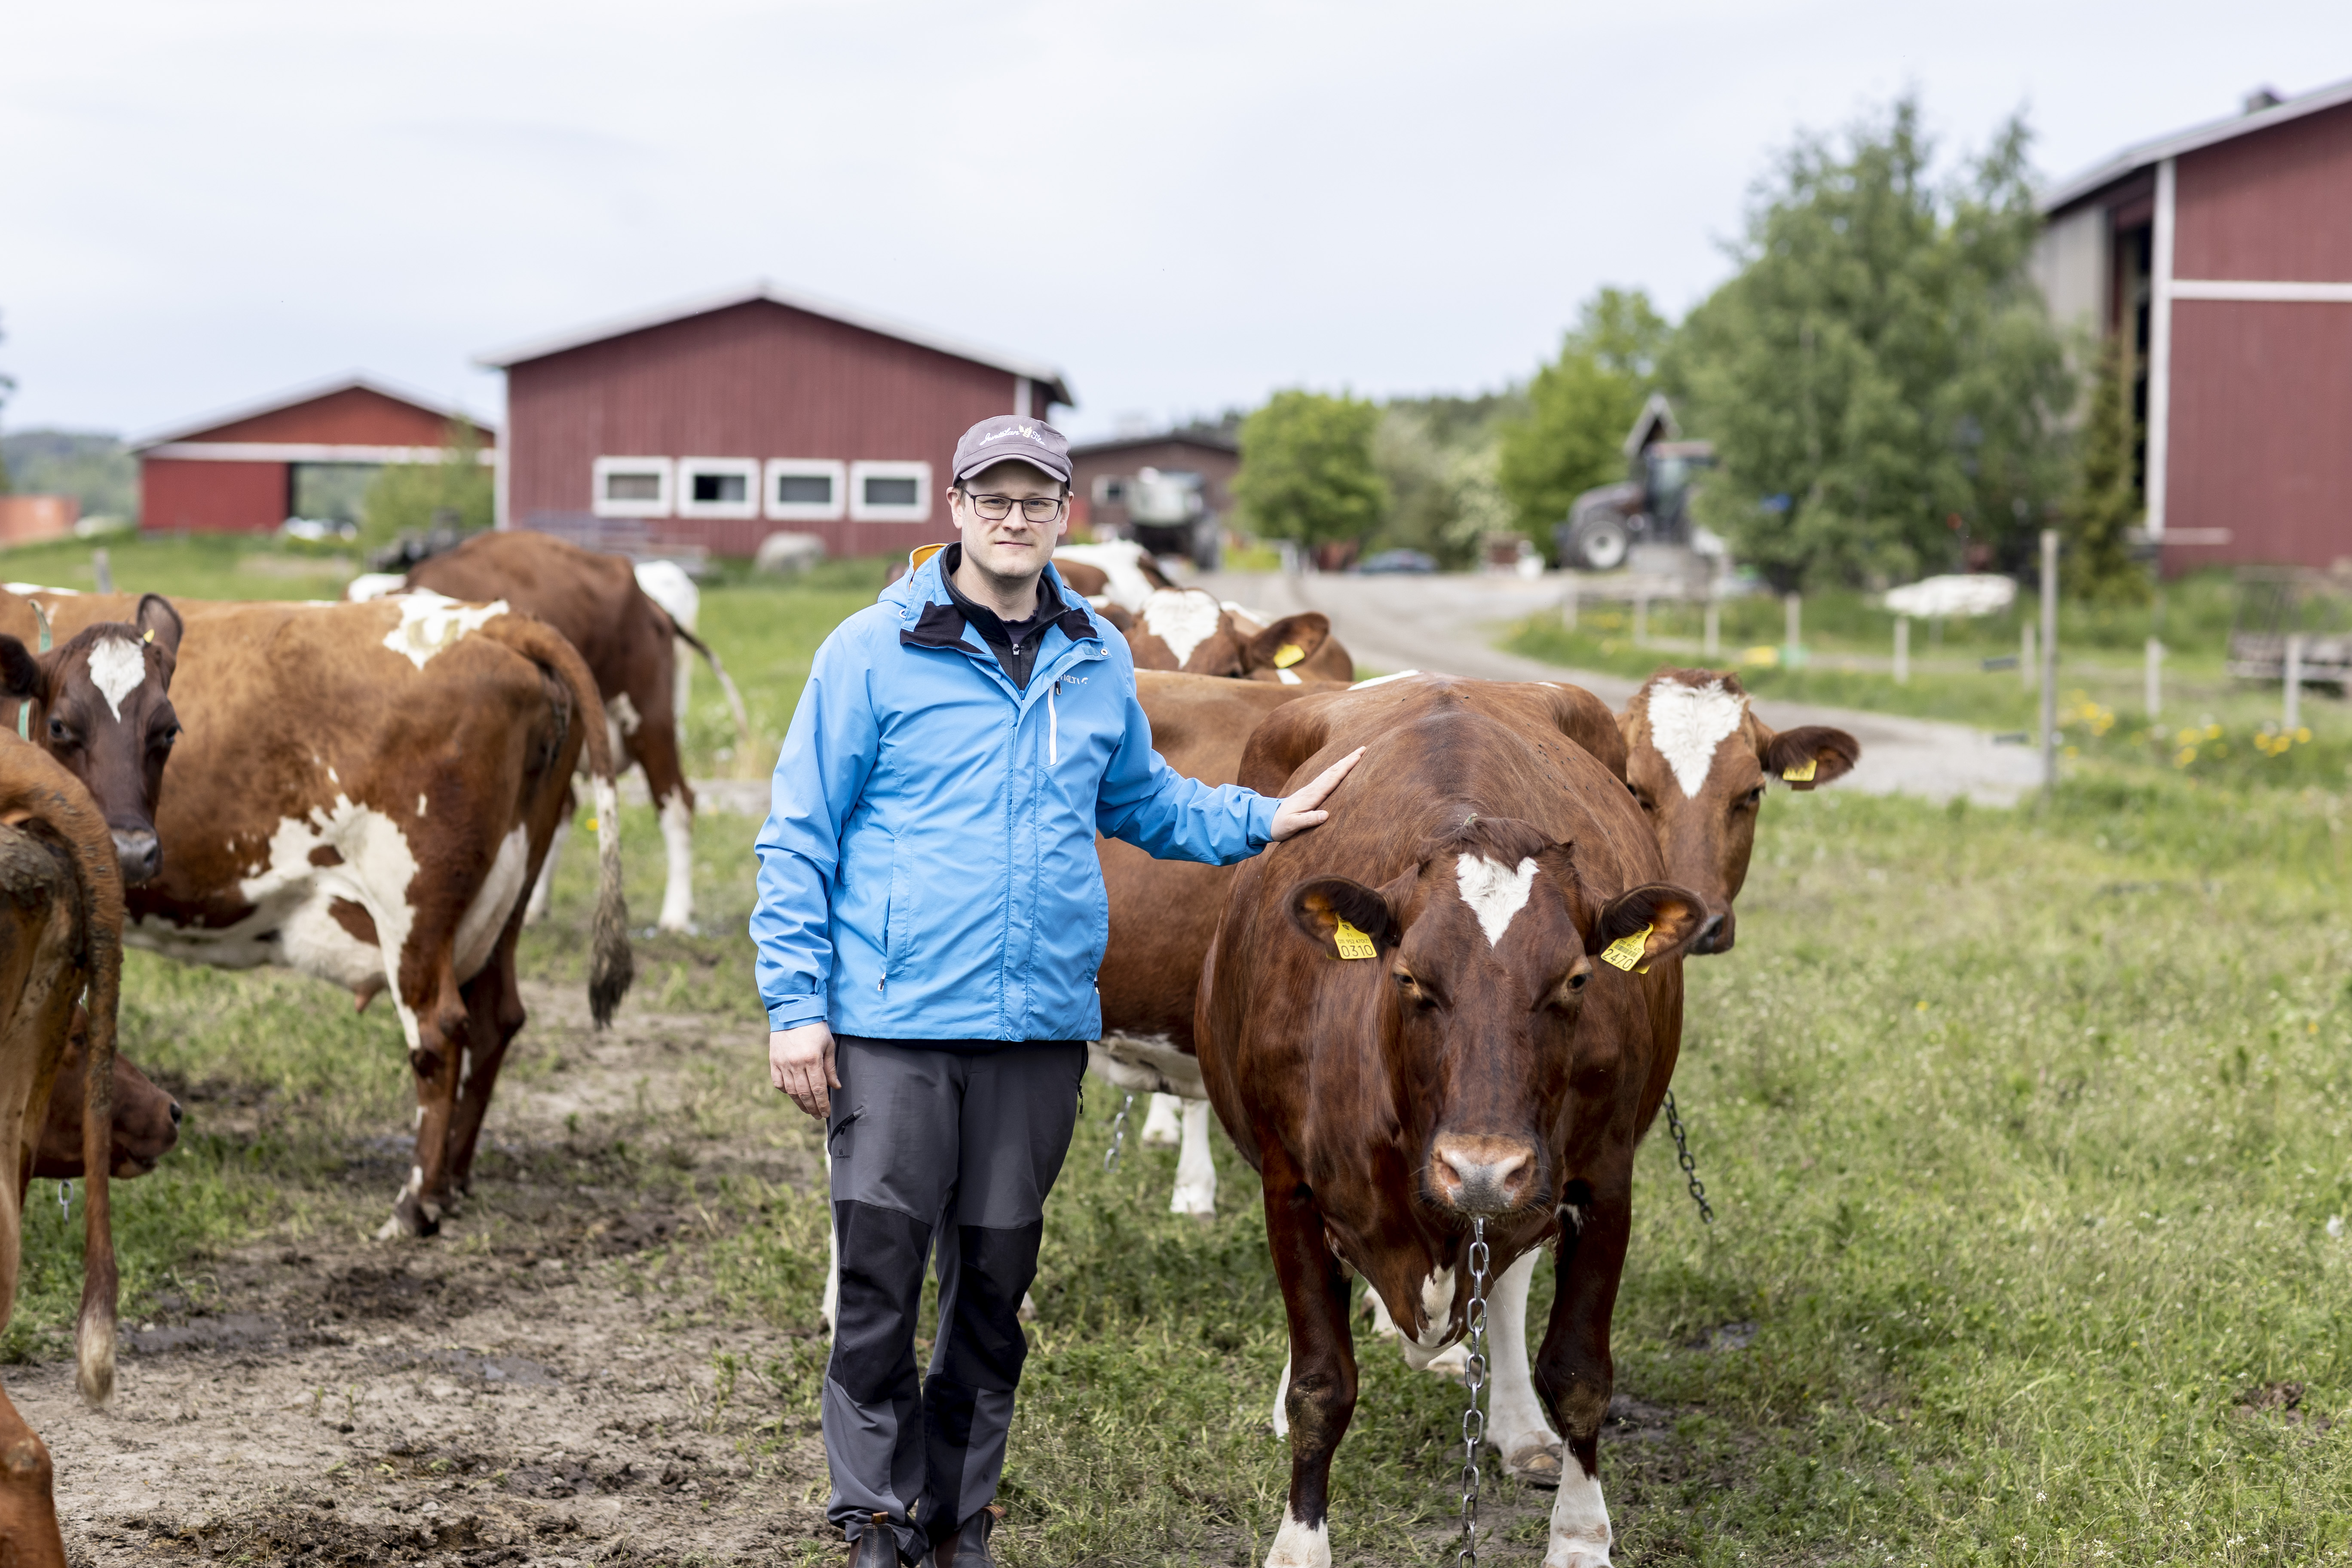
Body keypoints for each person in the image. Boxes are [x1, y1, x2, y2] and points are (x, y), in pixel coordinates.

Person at [752, 414, 1359, 1567]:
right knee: (880, 1285)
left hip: (1036, 1029)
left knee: (992, 1292)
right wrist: (797, 1004)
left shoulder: (1093, 658)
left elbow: (1145, 802)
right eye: (995, 497)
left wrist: (1265, 819)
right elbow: (798, 838)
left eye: (1037, 499)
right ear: (958, 509)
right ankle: (874, 1515)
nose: (1015, 517)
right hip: (892, 1023)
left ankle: (958, 1520)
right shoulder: (869, 652)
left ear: (1066, 516)